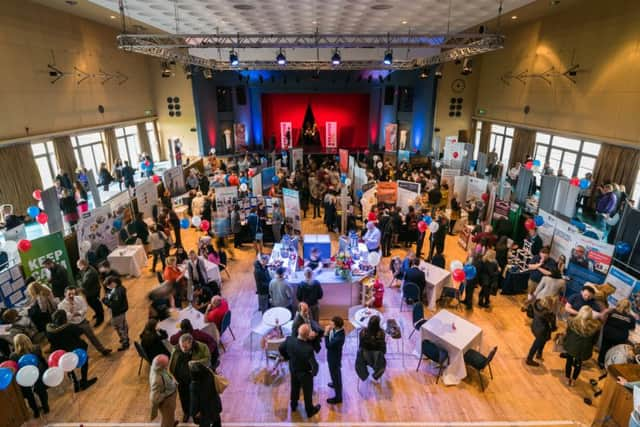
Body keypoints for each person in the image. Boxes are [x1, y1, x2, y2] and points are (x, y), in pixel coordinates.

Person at [46, 310, 98, 392]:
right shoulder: (69, 327)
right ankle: (84, 382)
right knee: (84, 361)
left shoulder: (50, 331)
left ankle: (75, 384)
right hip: (75, 349)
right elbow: (80, 331)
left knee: (67, 366)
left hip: (61, 353)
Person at [279, 324, 321, 417]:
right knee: (307, 392)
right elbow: (314, 365)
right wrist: (313, 373)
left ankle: (293, 405)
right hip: (304, 374)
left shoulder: (289, 339)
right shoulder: (308, 349)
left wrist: (287, 357)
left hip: (293, 369)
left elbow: (281, 348)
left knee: (294, 388)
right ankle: (309, 411)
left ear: (298, 330)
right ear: (307, 335)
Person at [169, 333, 211, 422]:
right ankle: (186, 412)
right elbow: (171, 364)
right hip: (181, 381)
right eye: (181, 346)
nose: (183, 349)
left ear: (191, 343)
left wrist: (195, 362)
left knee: (197, 398)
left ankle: (198, 414)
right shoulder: (176, 349)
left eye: (185, 346)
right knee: (184, 398)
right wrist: (172, 378)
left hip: (195, 380)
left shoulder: (202, 347)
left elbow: (207, 361)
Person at [57, 287, 111, 356]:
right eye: (69, 294)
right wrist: (71, 311)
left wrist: (77, 313)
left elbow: (85, 308)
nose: (72, 296)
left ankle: (103, 350)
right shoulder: (61, 305)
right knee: (77, 342)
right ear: (65, 294)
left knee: (92, 336)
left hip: (83, 321)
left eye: (73, 294)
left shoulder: (80, 298)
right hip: (72, 325)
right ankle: (82, 355)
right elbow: (65, 317)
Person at [10, 334, 49, 417]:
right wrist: (46, 370)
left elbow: (15, 369)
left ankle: (35, 411)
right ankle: (46, 407)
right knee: (41, 391)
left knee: (29, 395)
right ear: (28, 340)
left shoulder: (13, 356)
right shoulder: (36, 348)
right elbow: (42, 360)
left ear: (15, 344)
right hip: (38, 373)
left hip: (24, 377)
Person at [563, 305, 601, 386]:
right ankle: (573, 380)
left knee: (569, 361)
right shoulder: (596, 326)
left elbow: (568, 334)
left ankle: (567, 378)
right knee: (578, 364)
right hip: (584, 349)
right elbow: (595, 340)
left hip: (571, 346)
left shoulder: (572, 321)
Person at [598, 299, 637, 368]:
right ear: (628, 307)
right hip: (620, 337)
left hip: (608, 334)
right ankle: (611, 365)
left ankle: (601, 362)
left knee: (604, 348)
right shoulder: (631, 317)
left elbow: (603, 318)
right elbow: (632, 328)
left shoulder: (612, 312)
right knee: (616, 351)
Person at [188, 361, 223, 427]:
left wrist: (193, 412)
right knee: (217, 422)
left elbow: (194, 401)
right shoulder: (210, 375)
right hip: (215, 404)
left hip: (204, 410)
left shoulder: (194, 385)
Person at [525, 296, 557, 366]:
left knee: (541, 341)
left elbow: (531, 313)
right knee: (536, 344)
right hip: (542, 331)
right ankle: (529, 359)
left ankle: (539, 354)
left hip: (535, 326)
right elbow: (553, 326)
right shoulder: (548, 314)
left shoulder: (536, 305)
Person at [149, 354, 178, 427]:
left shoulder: (156, 365)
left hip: (169, 395)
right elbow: (155, 398)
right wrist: (165, 395)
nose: (167, 366)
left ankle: (172, 421)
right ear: (161, 366)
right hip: (166, 401)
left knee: (170, 415)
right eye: (166, 365)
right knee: (167, 421)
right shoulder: (157, 380)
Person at [356, 315, 386, 382]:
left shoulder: (363, 332)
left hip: (364, 358)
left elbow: (360, 346)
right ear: (378, 324)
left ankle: (364, 375)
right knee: (381, 357)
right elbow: (383, 349)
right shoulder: (382, 333)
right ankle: (376, 375)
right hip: (377, 360)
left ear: (369, 322)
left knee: (361, 352)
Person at [103, 276, 130, 351]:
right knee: (124, 325)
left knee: (119, 328)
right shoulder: (120, 288)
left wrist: (105, 301)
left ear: (114, 283)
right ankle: (126, 338)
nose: (108, 287)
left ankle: (125, 342)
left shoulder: (117, 292)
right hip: (121, 312)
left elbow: (114, 305)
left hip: (117, 313)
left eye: (109, 285)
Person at [76, 259, 105, 327]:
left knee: (95, 304)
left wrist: (78, 281)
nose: (78, 267)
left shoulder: (90, 273)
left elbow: (83, 284)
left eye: (78, 266)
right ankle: (98, 313)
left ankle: (100, 318)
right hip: (90, 291)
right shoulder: (86, 269)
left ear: (83, 265)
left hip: (92, 292)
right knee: (93, 304)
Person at [324, 316, 345, 404]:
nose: (330, 324)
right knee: (334, 374)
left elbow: (328, 346)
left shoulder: (339, 338)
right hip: (333, 356)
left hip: (334, 358)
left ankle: (338, 397)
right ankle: (334, 383)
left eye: (332, 323)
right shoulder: (338, 331)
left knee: (336, 375)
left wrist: (326, 334)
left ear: (336, 325)